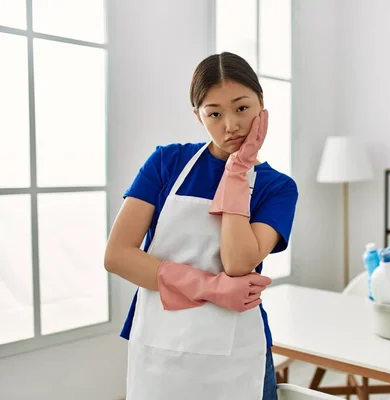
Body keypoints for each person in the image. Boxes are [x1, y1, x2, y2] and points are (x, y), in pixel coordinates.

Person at [104, 51, 299, 400]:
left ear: (262, 105)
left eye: (242, 108)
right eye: (214, 113)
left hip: (236, 352)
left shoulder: (277, 187)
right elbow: (117, 255)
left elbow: (238, 262)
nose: (231, 125)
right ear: (198, 115)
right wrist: (211, 288)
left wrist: (238, 171)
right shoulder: (166, 162)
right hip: (160, 347)